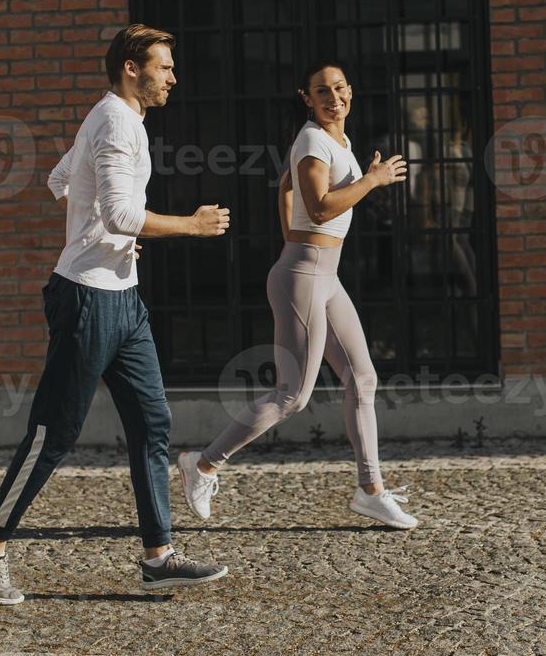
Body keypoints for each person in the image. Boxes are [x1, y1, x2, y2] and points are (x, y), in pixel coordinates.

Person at [0, 23, 232, 603]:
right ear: (132, 68)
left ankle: (158, 555)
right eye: (164, 66)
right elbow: (118, 215)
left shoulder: (118, 120)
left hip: (124, 301)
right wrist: (189, 225)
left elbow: (62, 180)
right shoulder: (114, 121)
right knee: (54, 436)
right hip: (87, 298)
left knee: (152, 423)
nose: (173, 76)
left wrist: (95, 222)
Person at [177, 60, 421, 530]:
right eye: (321, 91)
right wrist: (372, 181)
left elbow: (287, 191)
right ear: (306, 98)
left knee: (362, 378)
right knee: (293, 395)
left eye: (339, 88)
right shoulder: (312, 139)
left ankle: (371, 491)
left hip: (324, 275)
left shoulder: (339, 142)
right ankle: (203, 465)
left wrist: (296, 231)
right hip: (302, 276)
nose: (333, 97)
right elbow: (321, 206)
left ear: (351, 91)